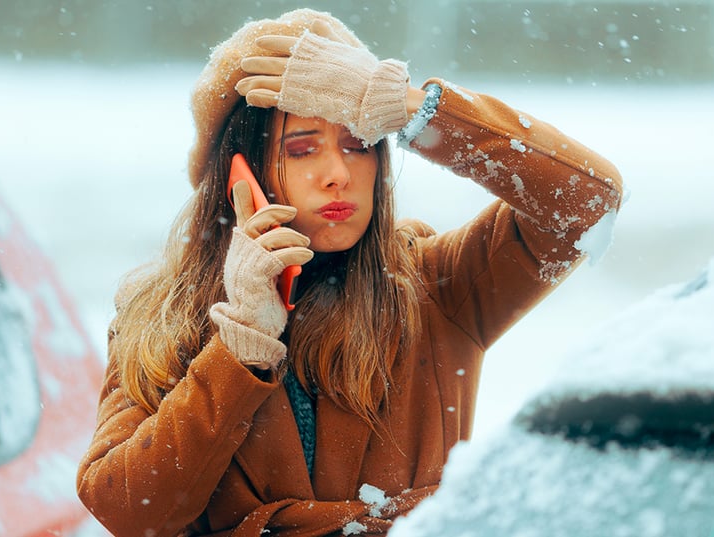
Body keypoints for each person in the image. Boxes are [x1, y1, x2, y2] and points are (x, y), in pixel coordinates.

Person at [76, 8, 623, 537]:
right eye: (303, 148)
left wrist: (410, 107)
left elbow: (590, 203)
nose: (338, 174)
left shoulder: (437, 287)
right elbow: (128, 512)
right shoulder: (159, 311)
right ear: (239, 173)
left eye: (358, 145)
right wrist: (239, 343)